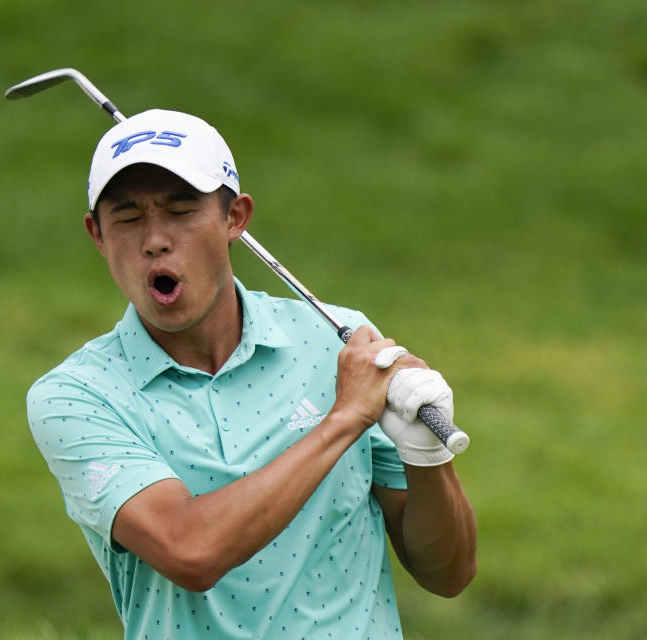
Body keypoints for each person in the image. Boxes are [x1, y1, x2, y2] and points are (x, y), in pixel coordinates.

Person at [26, 108, 477, 639]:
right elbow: (189, 551)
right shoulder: (77, 396)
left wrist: (428, 459)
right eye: (127, 218)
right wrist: (344, 420)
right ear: (96, 234)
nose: (154, 240)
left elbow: (448, 574)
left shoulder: (339, 343)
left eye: (181, 209)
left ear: (235, 217)